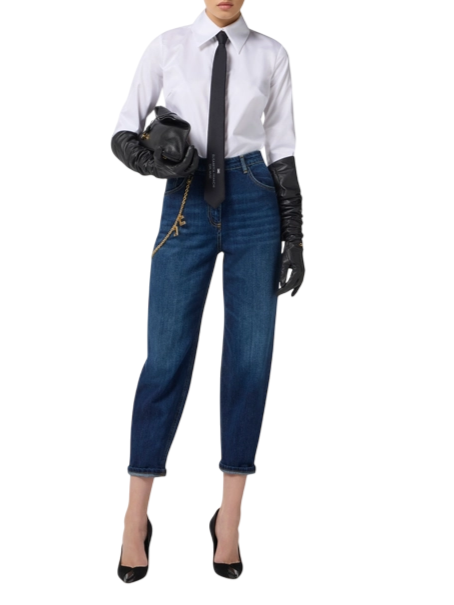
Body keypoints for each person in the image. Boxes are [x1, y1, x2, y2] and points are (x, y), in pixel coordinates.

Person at [111, 0, 305, 581]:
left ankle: (230, 519)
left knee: (250, 360)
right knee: (165, 359)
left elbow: (283, 148)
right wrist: (155, 163)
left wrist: (294, 235)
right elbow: (122, 131)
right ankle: (134, 517)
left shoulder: (271, 54)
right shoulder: (167, 46)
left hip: (254, 199)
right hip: (185, 201)